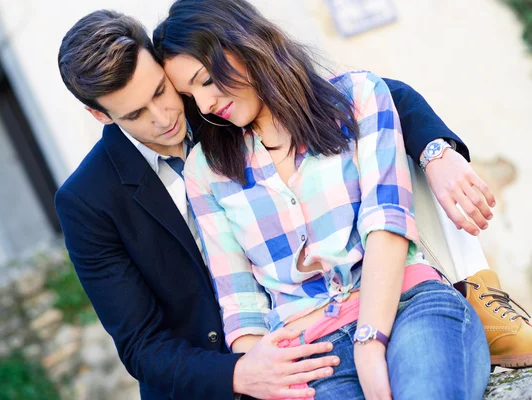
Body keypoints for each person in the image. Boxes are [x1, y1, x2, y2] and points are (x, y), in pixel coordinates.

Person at [55, 8, 526, 400]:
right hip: (245, 368)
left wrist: (436, 151)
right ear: (100, 114)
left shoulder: (224, 105)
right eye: (135, 114)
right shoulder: (88, 201)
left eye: (163, 92)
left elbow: (367, 98)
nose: (166, 117)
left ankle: (469, 304)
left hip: (379, 302)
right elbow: (142, 346)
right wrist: (245, 372)